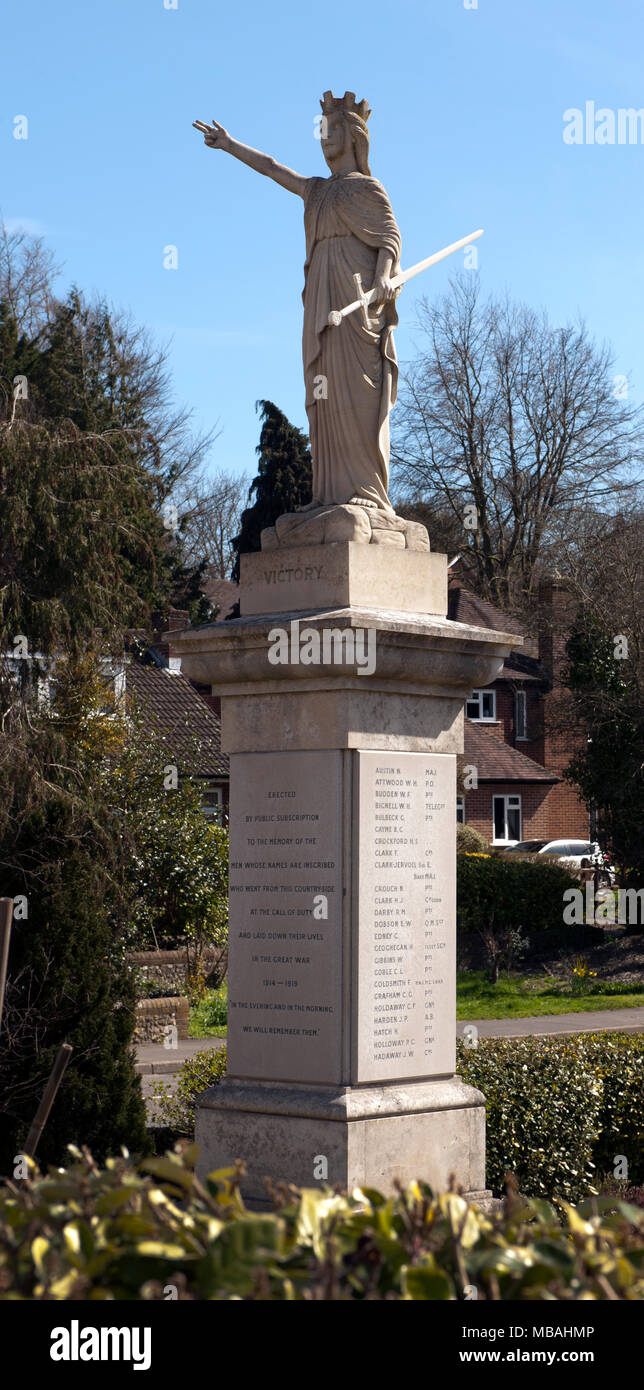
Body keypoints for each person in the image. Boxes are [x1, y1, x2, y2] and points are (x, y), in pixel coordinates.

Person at [194, 91, 401, 512]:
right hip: (322, 302)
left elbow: (389, 241)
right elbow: (272, 168)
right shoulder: (316, 190)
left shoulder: (369, 190)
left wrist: (383, 279)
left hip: (355, 307)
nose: (324, 138)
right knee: (323, 394)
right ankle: (327, 496)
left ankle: (363, 493)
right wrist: (230, 145)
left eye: (332, 130)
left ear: (354, 137)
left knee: (356, 396)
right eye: (321, 131)